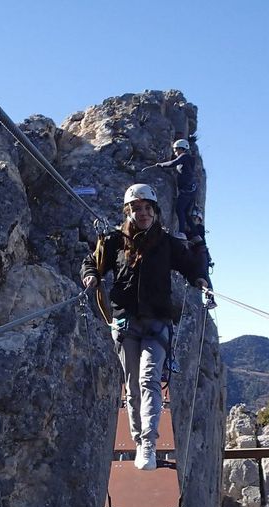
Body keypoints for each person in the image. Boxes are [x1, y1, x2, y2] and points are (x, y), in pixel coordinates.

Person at [81, 183, 210, 470]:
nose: (142, 213)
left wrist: (201, 281)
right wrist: (91, 276)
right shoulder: (114, 241)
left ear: (155, 212)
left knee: (148, 380)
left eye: (147, 209)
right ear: (129, 212)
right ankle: (140, 441)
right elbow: (93, 263)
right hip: (126, 323)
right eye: (136, 209)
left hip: (156, 323)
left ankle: (148, 444)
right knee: (131, 387)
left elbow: (191, 266)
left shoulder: (167, 243)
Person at [155, 139, 198, 237]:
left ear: (181, 148)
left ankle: (181, 232)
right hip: (191, 190)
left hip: (186, 191)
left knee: (179, 210)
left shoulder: (184, 156)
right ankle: (197, 235)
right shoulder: (190, 159)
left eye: (175, 149)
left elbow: (173, 163)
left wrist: (160, 165)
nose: (175, 152)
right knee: (186, 214)